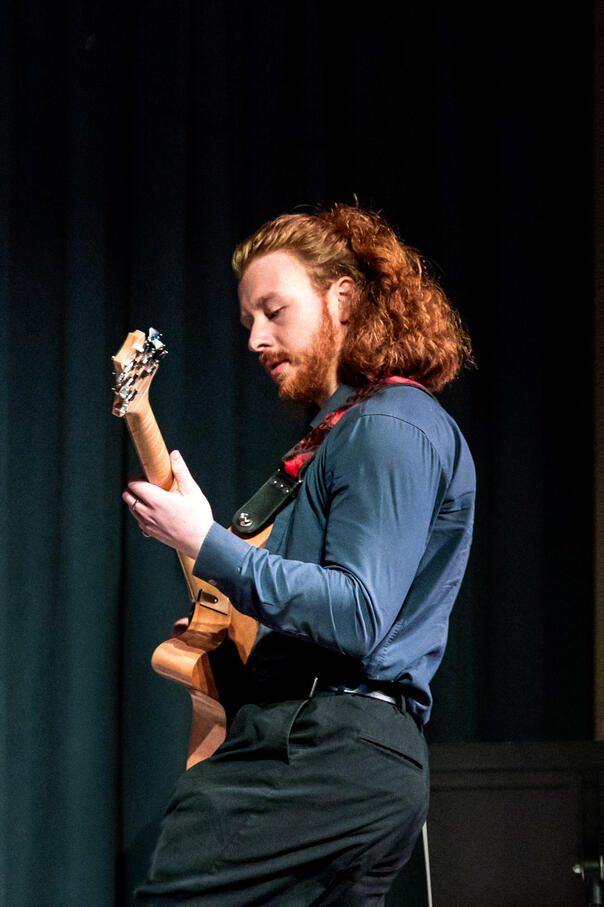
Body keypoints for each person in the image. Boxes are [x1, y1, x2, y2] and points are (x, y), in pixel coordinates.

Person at [123, 202, 476, 905]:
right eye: (248, 318)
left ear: (341, 300)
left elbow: (356, 612)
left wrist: (204, 540)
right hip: (341, 757)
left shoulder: (390, 423)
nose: (256, 336)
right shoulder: (344, 435)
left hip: (323, 749)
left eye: (275, 310)